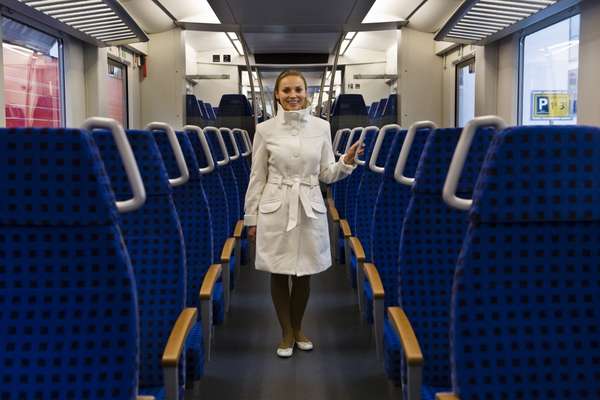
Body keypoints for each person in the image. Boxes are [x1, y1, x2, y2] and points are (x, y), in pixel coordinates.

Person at [243, 70, 363, 358]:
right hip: (276, 204)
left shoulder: (322, 128)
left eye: (298, 89)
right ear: (277, 94)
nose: (293, 95)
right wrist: (252, 217)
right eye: (286, 90)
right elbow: (257, 177)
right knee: (279, 269)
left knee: (305, 271)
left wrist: (345, 162)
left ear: (306, 93)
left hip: (309, 203)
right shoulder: (265, 130)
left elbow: (325, 173)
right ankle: (285, 332)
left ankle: (299, 328)